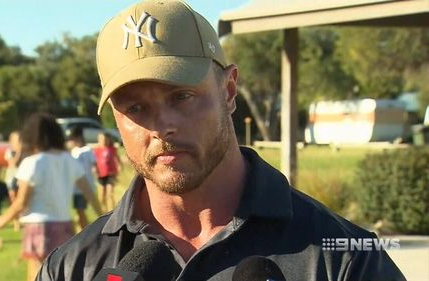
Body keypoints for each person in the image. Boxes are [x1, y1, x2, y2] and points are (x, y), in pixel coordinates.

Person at [35, 1, 406, 281]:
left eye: (181, 97)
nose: (161, 126)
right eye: (135, 107)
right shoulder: (71, 266)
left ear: (229, 90)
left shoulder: (344, 259)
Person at [0, 113, 100, 281]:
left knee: (36, 276)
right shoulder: (69, 160)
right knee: (62, 274)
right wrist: (104, 217)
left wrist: (1, 220)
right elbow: (89, 193)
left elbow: (21, 202)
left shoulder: (32, 163)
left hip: (39, 227)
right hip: (65, 225)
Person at [67, 126, 102, 229]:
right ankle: (85, 230)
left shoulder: (87, 150)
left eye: (72, 139)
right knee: (79, 212)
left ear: (78, 138)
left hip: (87, 185)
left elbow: (94, 165)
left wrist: (97, 175)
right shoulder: (73, 151)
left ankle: (91, 229)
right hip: (76, 188)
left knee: (89, 210)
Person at [93, 132, 121, 212]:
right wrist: (95, 170)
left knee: (110, 194)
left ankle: (112, 211)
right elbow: (94, 162)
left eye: (105, 139)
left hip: (111, 174)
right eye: (101, 139)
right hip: (101, 175)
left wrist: (119, 167)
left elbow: (117, 159)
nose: (103, 141)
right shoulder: (96, 150)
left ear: (109, 140)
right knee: (101, 196)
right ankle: (103, 212)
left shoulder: (112, 149)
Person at [4, 130, 22, 231]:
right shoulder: (10, 152)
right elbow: (14, 163)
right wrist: (19, 151)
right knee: (13, 200)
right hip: (11, 179)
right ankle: (16, 222)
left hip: (20, 179)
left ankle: (20, 220)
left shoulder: (24, 151)